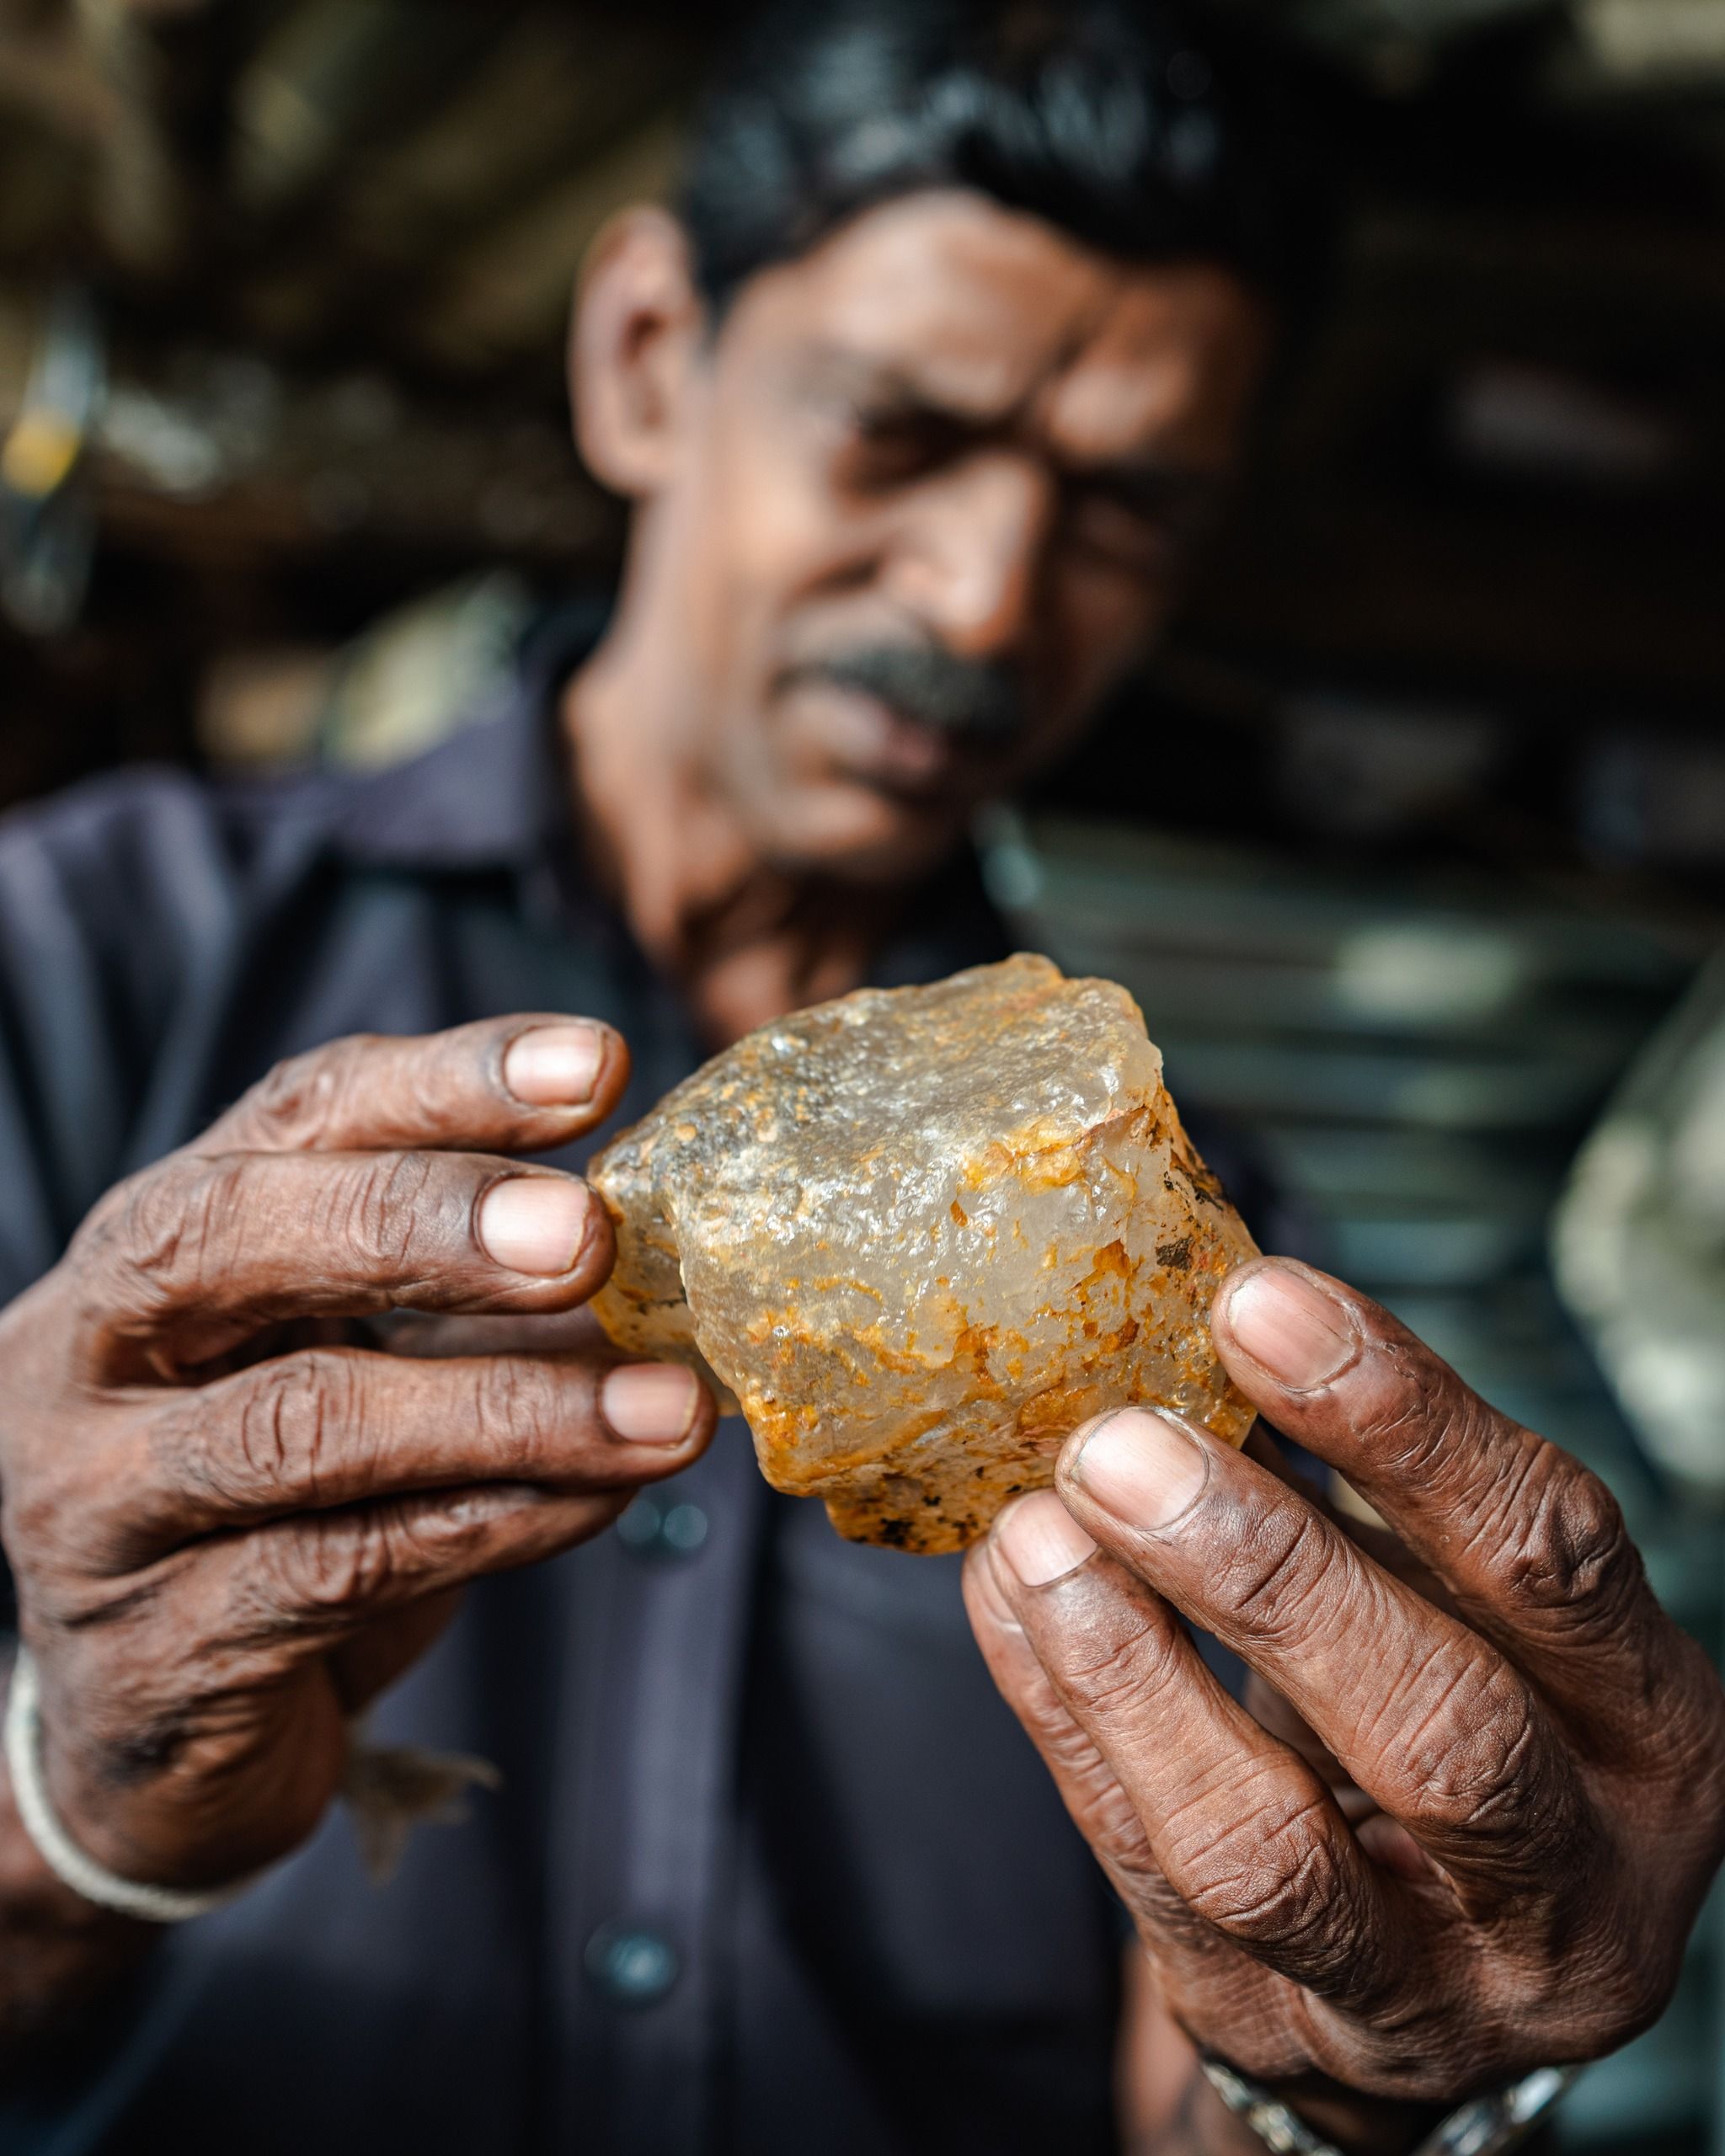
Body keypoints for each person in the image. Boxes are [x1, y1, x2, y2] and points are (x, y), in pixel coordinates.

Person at [0, 4, 1720, 2152]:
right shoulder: (79, 964)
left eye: (1120, 507)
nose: (987, 597)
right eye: (898, 432)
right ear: (645, 352)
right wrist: (78, 1822)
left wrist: (1381, 2081)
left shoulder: (1194, 1241)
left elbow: (1200, 2070)